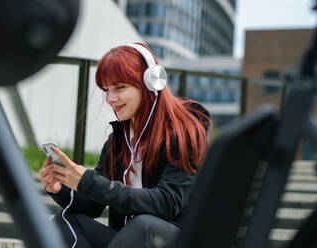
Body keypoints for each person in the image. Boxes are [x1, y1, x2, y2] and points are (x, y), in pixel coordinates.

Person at [39, 43, 211, 248]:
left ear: (151, 82)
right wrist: (60, 188)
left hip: (177, 240)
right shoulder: (117, 142)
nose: (111, 99)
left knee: (144, 226)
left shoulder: (185, 133)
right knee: (66, 221)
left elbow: (167, 202)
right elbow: (93, 207)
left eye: (119, 87)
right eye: (106, 89)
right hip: (128, 240)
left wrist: (89, 181)